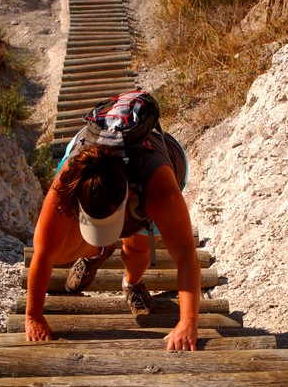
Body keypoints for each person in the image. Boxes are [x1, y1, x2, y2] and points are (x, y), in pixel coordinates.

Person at [25, 93, 200, 351]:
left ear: (128, 197)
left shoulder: (158, 188)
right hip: (91, 163)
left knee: (136, 249)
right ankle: (97, 252)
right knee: (58, 251)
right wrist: (33, 316)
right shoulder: (68, 181)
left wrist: (188, 321)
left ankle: (132, 283)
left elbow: (186, 255)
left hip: (160, 163)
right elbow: (43, 251)